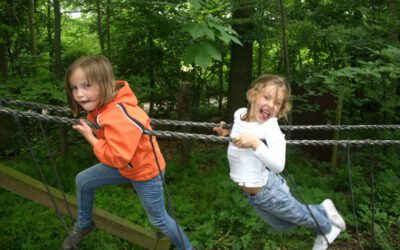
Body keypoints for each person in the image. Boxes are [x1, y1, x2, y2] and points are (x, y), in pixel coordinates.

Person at [62, 55, 192, 250]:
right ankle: (84, 224)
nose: (79, 94)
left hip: (145, 173)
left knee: (159, 219)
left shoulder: (120, 113)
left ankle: (187, 248)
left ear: (105, 83)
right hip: (123, 167)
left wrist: (90, 137)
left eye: (86, 86)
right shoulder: (102, 107)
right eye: (74, 88)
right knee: (83, 180)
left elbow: (118, 157)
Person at [213, 74, 346, 250]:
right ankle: (323, 209)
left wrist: (255, 143)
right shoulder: (240, 115)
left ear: (280, 109)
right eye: (266, 97)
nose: (270, 105)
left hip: (267, 191)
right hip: (253, 195)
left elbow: (278, 166)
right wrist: (227, 131)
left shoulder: (270, 128)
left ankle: (327, 229)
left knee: (300, 216)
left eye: (277, 103)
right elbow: (241, 130)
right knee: (283, 225)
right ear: (253, 95)